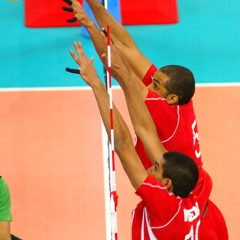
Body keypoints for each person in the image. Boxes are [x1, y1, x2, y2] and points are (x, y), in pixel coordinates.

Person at [62, 1, 229, 239]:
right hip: (195, 196)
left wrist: (90, 25)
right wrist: (89, 7)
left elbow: (121, 72)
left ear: (170, 98)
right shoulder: (176, 99)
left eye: (155, 85)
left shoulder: (165, 116)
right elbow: (126, 46)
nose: (149, 84)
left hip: (191, 206)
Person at [68, 39, 205, 239]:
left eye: (155, 168)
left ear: (167, 184)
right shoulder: (193, 199)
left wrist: (97, 84)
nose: (149, 168)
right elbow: (143, 131)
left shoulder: (162, 204)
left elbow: (124, 145)